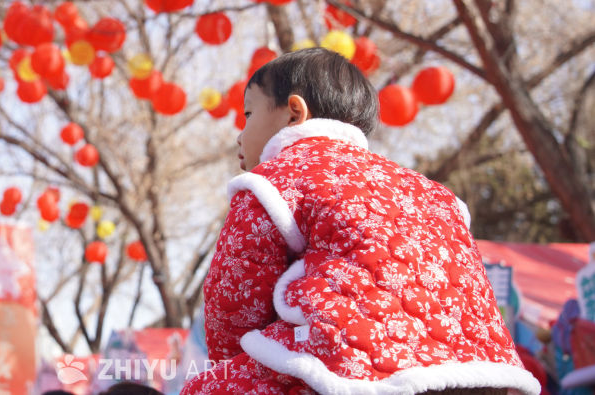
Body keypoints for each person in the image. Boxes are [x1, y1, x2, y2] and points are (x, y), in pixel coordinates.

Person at [180, 49, 540, 395]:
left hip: (357, 372)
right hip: (480, 373)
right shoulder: (432, 192)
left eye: (248, 114)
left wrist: (228, 364)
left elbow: (234, 296)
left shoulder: (273, 180)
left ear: (294, 113)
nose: (240, 135)